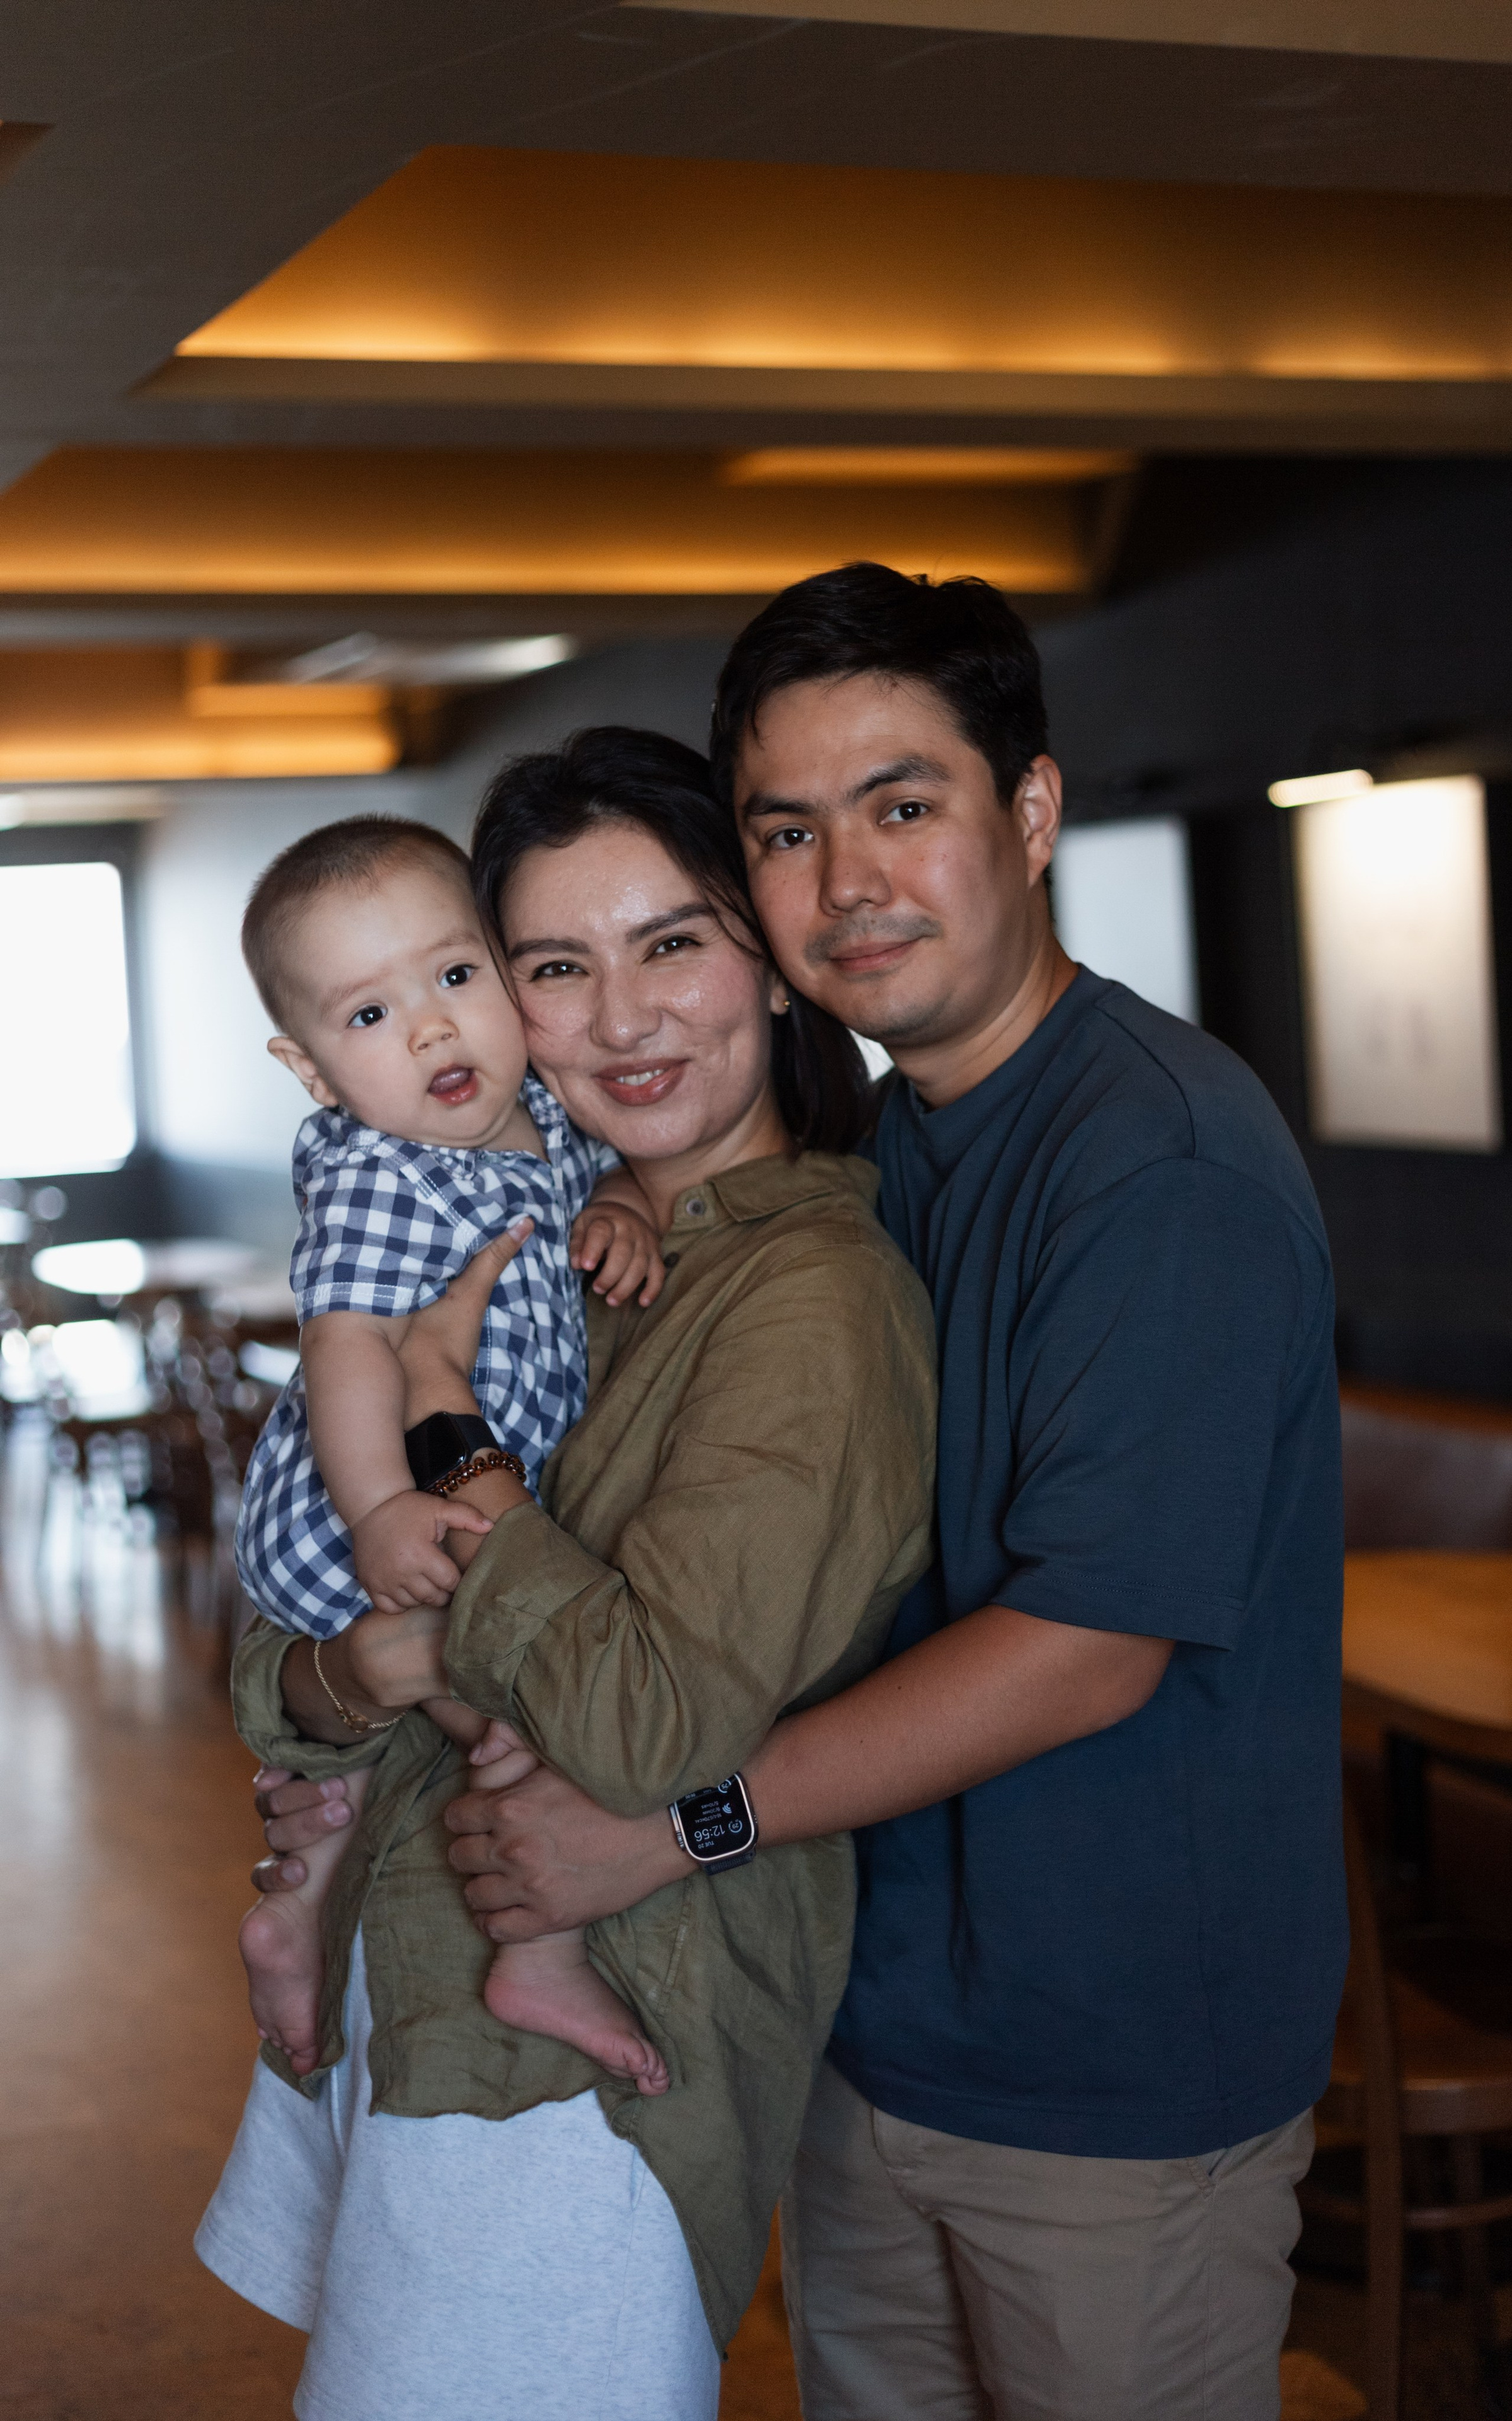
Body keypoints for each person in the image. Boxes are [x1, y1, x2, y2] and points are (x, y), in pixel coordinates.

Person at [368, 570, 1349, 2420]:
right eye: (788, 833)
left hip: (1112, 2061)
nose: (848, 885)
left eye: (903, 806)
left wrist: (674, 1829)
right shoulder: (887, 1148)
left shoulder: (1161, 1164)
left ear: (1030, 811)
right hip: (876, 2020)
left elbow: (1088, 1646)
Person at [198, 728, 937, 2421]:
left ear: (769, 957)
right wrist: (354, 1673)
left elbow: (638, 1723)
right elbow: (293, 1664)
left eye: (670, 942)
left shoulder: (810, 1301)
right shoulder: (547, 1222)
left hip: (568, 2090)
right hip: (419, 1998)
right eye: (553, 966)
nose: (619, 1018)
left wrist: (447, 1424)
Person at [231, 813, 671, 2091]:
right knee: (528, 1721)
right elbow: (350, 1348)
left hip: (459, 1482)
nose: (431, 1030)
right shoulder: (379, 1174)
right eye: (370, 1015)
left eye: (456, 975)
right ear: (311, 1069)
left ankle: (295, 1907)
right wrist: (377, 1508)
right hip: (370, 1501)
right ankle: (541, 1949)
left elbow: (604, 1172)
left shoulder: (544, 1113)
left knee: (371, 1759)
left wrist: (622, 1204)